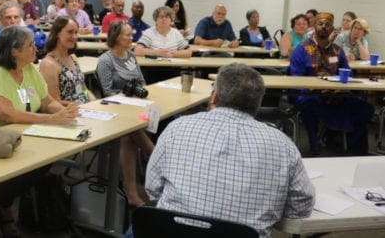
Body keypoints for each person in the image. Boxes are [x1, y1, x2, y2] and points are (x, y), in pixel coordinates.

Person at [144, 63, 315, 238]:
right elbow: (301, 206)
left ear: (214, 97)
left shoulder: (177, 127)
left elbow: (152, 188)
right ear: (258, 103)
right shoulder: (283, 144)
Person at [0, 26, 78, 237]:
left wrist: (66, 113)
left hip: (13, 136)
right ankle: (2, 204)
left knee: (44, 160)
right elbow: (6, 114)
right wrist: (50, 119)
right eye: (30, 45)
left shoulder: (29, 69)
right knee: (31, 163)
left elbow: (45, 100)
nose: (35, 48)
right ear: (14, 51)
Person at [290, 12, 375, 155]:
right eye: (320, 24)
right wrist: (313, 88)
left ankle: (352, 145)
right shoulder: (302, 49)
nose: (324, 27)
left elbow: (347, 73)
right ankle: (314, 146)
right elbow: (295, 78)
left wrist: (337, 87)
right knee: (310, 104)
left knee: (366, 107)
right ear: (315, 27)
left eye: (327, 24)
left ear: (332, 29)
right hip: (307, 93)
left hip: (335, 94)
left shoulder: (337, 51)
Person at [96, 20, 156, 207]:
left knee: (136, 129)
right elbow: (106, 92)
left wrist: (135, 95)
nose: (132, 38)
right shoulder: (105, 60)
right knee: (129, 135)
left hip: (134, 107)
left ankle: (135, 188)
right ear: (116, 36)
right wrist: (126, 96)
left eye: (131, 34)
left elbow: (142, 82)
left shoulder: (130, 55)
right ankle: (155, 159)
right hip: (113, 110)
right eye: (127, 35)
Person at [39, 17, 95, 104]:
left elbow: (84, 90)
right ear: (57, 33)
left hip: (86, 108)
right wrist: (81, 106)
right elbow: (54, 102)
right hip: (69, 112)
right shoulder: (48, 64)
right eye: (70, 32)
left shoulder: (73, 57)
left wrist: (95, 104)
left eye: (76, 32)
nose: (74, 37)